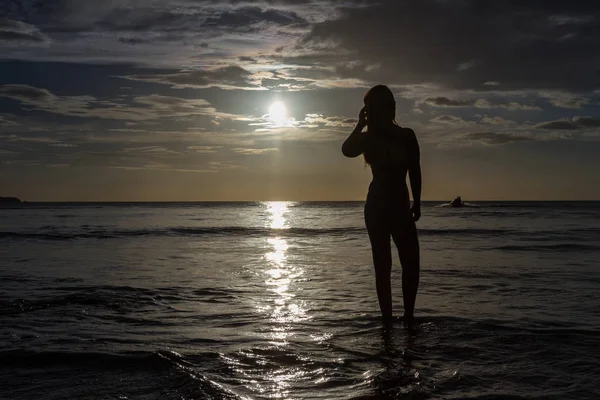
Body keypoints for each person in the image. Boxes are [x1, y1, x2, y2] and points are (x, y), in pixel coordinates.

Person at [342, 85, 421, 324]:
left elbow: (415, 170)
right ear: (374, 110)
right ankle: (387, 319)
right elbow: (346, 150)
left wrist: (417, 201)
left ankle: (408, 316)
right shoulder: (368, 138)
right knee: (383, 265)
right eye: (385, 105)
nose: (391, 108)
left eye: (392, 104)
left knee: (411, 263)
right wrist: (360, 125)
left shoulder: (407, 135)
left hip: (399, 204)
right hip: (377, 205)